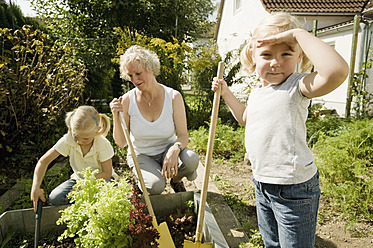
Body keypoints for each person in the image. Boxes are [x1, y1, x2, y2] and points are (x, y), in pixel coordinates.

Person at [212, 13, 349, 248]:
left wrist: (298, 34)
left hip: (294, 189)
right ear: (253, 56)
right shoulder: (258, 92)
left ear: (299, 55)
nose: (276, 62)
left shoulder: (298, 85)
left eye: (286, 53)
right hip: (262, 183)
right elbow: (245, 118)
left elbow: (336, 71)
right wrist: (225, 93)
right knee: (271, 243)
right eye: (267, 54)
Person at [110, 45, 199, 195]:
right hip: (142, 155)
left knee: (191, 160)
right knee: (156, 186)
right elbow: (121, 142)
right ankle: (143, 183)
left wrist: (174, 149)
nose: (135, 80)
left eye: (138, 73)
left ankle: (176, 181)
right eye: (130, 76)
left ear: (151, 67)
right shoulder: (126, 101)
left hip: (167, 150)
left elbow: (183, 135)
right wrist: (115, 116)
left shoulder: (173, 97)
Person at [31, 105, 116, 211]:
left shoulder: (103, 144)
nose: (79, 142)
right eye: (76, 136)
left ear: (97, 130)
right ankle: (79, 208)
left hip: (102, 180)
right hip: (79, 179)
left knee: (100, 197)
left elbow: (107, 173)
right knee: (55, 198)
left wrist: (84, 186)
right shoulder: (68, 140)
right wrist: (36, 186)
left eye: (85, 138)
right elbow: (43, 161)